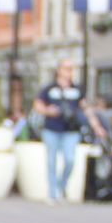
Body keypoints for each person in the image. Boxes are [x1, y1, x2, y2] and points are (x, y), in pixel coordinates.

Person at [36, 63, 87, 202]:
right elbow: (38, 104)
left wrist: (95, 124)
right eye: (66, 69)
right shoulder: (49, 88)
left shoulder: (76, 89)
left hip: (71, 130)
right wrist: (47, 111)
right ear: (59, 70)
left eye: (71, 69)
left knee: (70, 160)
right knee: (51, 161)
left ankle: (61, 186)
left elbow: (84, 107)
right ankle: (52, 194)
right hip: (51, 129)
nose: (69, 72)